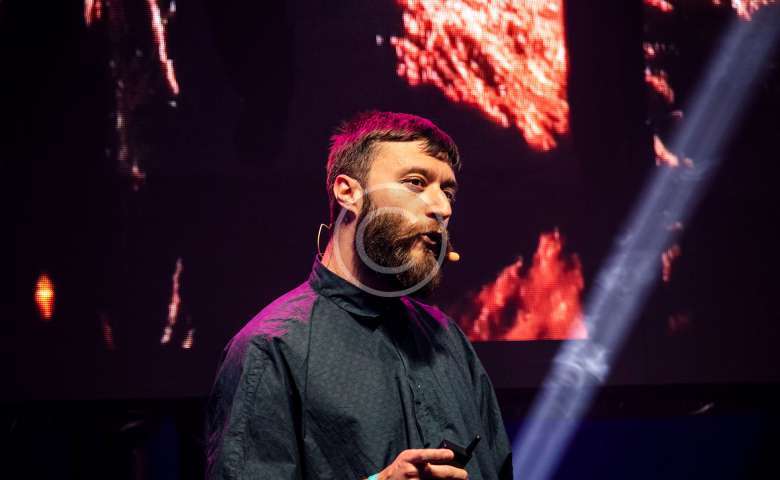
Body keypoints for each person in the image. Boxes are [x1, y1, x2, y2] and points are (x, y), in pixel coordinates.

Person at [206, 111, 513, 479]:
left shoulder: (447, 339)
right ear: (348, 192)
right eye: (415, 183)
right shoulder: (273, 346)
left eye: (448, 192)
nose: (442, 208)